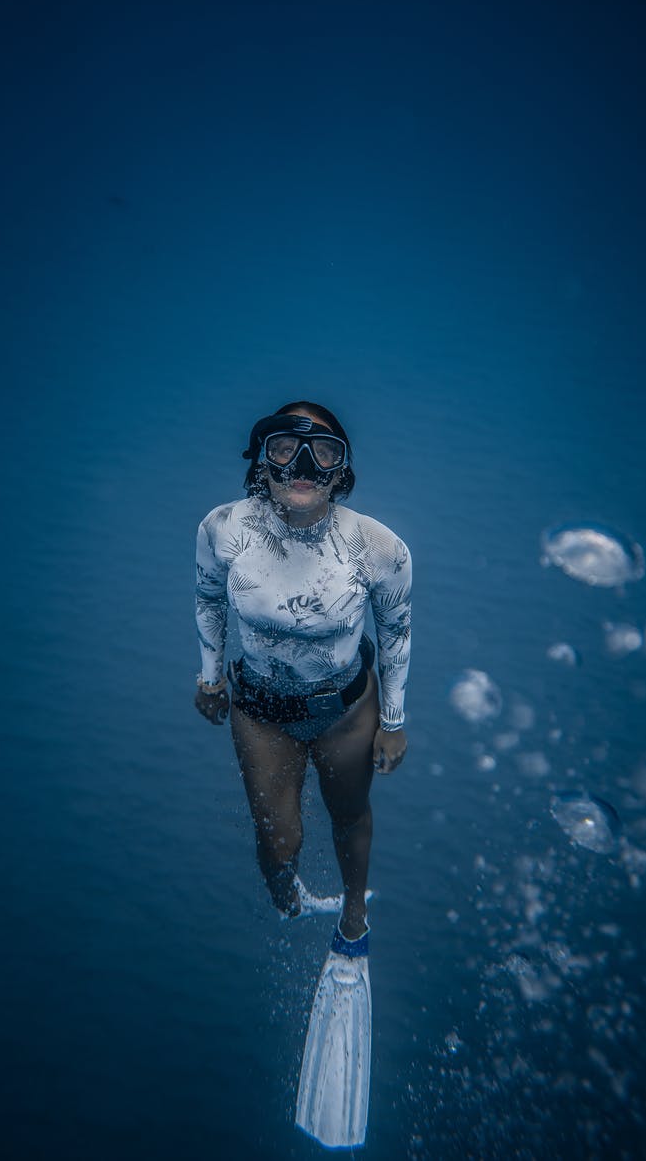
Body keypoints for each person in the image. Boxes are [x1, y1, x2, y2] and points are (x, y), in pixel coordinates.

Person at [194, 401, 411, 946]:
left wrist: (392, 721)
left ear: (342, 469)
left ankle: (354, 918)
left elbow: (395, 631)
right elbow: (208, 597)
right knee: (278, 842)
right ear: (261, 460)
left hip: (347, 711)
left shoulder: (379, 547)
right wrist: (210, 676)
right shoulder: (223, 528)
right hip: (260, 711)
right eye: (285, 449)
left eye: (324, 453)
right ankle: (288, 900)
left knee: (350, 814)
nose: (304, 468)